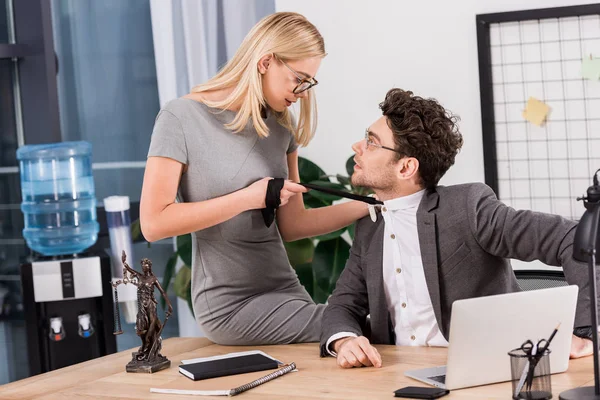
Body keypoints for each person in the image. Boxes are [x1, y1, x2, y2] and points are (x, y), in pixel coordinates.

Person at [320, 88, 595, 369]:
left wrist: (588, 332)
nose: (358, 146)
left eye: (372, 142)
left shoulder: (468, 209)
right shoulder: (370, 226)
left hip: (484, 370)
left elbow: (571, 238)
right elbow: (343, 304)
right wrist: (346, 341)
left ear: (406, 168)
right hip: (395, 374)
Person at [140, 12, 370, 345]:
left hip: (286, 290)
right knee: (358, 324)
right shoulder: (180, 117)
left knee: (350, 335)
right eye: (298, 79)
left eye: (309, 83)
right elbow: (154, 222)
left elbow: (295, 225)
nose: (303, 92)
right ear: (265, 62)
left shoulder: (281, 125)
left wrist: (371, 207)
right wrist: (248, 198)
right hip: (228, 305)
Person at [119, 251, 172, 362]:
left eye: (146, 266)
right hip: (141, 304)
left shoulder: (153, 279)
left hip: (151, 304)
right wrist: (124, 262)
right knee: (142, 326)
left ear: (149, 267)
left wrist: (169, 305)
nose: (144, 267)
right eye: (142, 266)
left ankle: (149, 343)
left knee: (152, 323)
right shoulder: (140, 276)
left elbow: (162, 292)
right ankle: (145, 346)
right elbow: (129, 268)